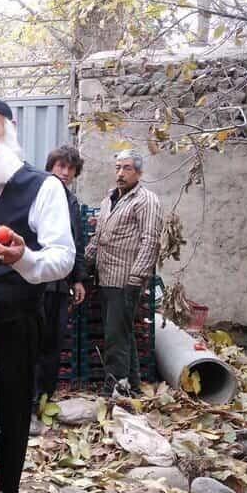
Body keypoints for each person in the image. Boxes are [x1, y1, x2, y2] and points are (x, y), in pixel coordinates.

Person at [0, 98, 74, 493]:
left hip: (15, 324)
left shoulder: (43, 186)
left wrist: (24, 257)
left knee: (9, 417)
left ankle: (5, 492)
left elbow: (62, 258)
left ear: (10, 129)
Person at [85, 148, 163, 392]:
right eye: (117, 167)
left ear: (138, 172)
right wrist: (82, 265)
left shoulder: (145, 200)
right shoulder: (109, 199)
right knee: (123, 334)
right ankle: (133, 387)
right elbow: (98, 239)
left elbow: (150, 241)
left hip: (125, 279)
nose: (120, 173)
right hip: (106, 277)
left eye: (126, 168)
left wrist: (136, 278)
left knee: (115, 338)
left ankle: (115, 390)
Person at [35, 144, 90, 401]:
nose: (65, 172)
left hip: (59, 284)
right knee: (34, 340)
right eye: (61, 166)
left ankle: (46, 395)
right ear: (51, 167)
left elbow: (77, 242)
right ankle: (31, 399)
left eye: (70, 168)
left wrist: (78, 279)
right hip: (36, 282)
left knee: (53, 342)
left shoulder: (71, 201)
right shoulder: (37, 193)